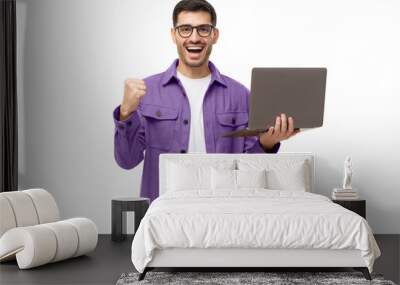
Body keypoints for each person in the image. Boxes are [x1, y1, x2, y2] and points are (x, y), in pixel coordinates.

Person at [113, 0, 299, 202]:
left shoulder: (240, 95)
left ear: (214, 35)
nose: (194, 38)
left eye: (203, 29)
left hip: (223, 212)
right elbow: (127, 160)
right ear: (173, 35)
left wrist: (268, 143)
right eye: (185, 29)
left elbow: (249, 169)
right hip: (165, 213)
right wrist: (126, 113)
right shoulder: (146, 91)